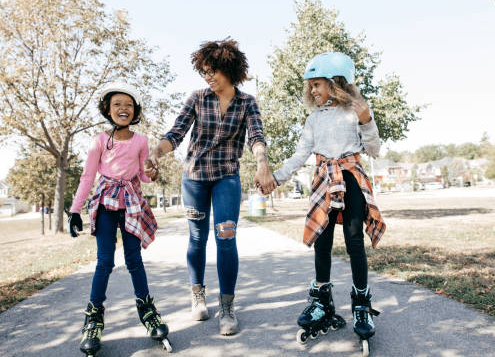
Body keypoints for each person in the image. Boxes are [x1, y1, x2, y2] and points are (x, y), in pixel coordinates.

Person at [144, 38, 276, 335]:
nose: (208, 76)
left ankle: (227, 306)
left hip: (226, 177)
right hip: (194, 178)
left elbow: (256, 137)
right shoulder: (197, 98)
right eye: (203, 71)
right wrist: (155, 153)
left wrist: (262, 163)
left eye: (212, 70)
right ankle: (197, 296)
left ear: (228, 68)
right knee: (197, 238)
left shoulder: (247, 103)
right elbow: (176, 133)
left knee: (226, 235)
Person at [268, 52, 386, 345]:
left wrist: (367, 121)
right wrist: (277, 177)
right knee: (322, 240)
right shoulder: (313, 119)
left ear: (336, 83)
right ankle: (322, 301)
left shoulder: (355, 111)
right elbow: (300, 153)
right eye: (311, 86)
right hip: (323, 179)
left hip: (351, 177)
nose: (313, 91)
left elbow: (374, 149)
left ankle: (361, 304)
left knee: (354, 240)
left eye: (318, 84)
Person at [68, 84, 172, 355]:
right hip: (104, 203)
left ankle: (147, 310)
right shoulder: (99, 140)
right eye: (117, 104)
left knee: (134, 261)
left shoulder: (140, 141)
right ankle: (93, 317)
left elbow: (144, 175)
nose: (123, 108)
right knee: (104, 262)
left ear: (135, 111)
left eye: (128, 105)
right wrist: (75, 210)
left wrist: (153, 171)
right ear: (108, 110)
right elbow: (88, 177)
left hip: (130, 203)